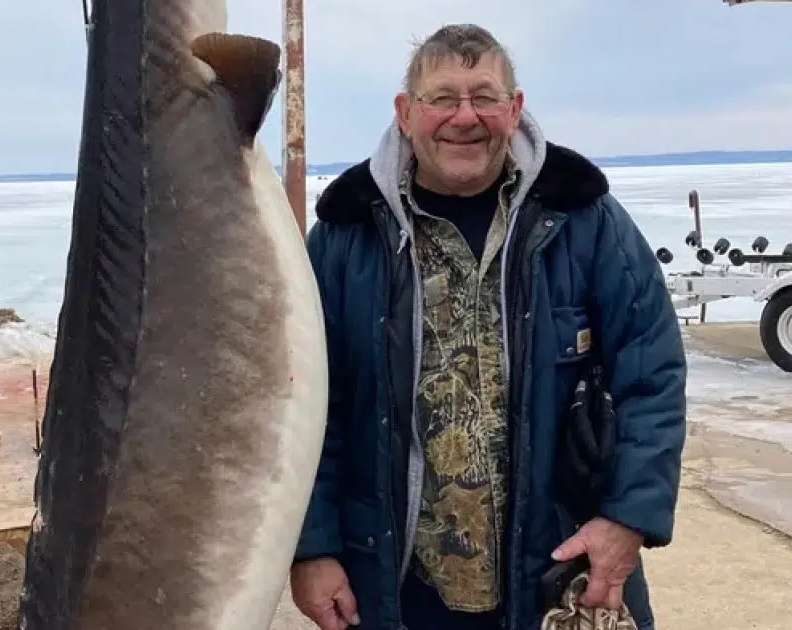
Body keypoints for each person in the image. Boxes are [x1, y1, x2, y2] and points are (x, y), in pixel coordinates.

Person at [289, 23, 687, 630]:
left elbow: (651, 376)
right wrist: (312, 547)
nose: (465, 116)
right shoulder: (346, 236)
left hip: (559, 567)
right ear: (405, 112)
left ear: (515, 108)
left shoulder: (583, 218)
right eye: (443, 98)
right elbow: (306, 406)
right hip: (393, 581)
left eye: (485, 96)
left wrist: (626, 519)